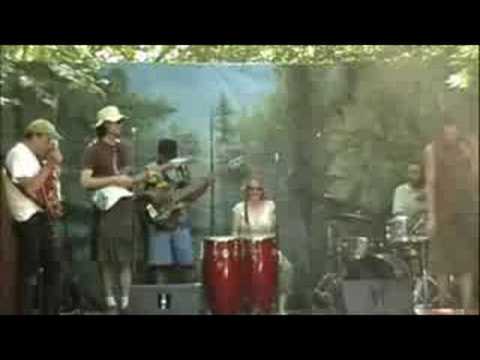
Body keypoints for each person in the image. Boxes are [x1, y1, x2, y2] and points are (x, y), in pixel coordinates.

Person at [80, 105, 140, 312]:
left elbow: (129, 177)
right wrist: (114, 179)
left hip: (125, 207)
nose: (120, 125)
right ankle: (110, 301)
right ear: (105, 125)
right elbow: (86, 181)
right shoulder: (93, 149)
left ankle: (125, 301)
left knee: (125, 258)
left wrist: (133, 177)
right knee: (105, 258)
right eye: (116, 121)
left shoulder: (126, 147)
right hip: (106, 209)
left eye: (120, 121)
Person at [3, 119, 64, 314]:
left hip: (40, 216)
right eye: (48, 140)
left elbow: (45, 188)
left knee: (54, 268)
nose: (50, 145)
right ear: (35, 136)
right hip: (27, 218)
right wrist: (49, 166)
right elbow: (30, 186)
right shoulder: (18, 154)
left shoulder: (35, 157)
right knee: (29, 272)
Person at [424, 115, 479, 312]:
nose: (451, 134)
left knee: (466, 264)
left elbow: (475, 178)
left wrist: (473, 154)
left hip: (466, 212)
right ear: (441, 130)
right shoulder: (432, 150)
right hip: (443, 214)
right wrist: (431, 216)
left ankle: (466, 307)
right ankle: (443, 305)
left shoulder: (467, 149)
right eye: (447, 130)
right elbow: (430, 183)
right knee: (442, 264)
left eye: (454, 130)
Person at [142, 138, 210, 284]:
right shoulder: (151, 170)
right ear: (159, 154)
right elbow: (144, 200)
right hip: (159, 225)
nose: (169, 159)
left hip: (180, 220)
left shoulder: (180, 168)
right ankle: (160, 299)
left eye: (172, 155)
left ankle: (189, 297)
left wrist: (203, 187)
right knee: (160, 266)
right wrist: (155, 218)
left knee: (187, 264)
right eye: (167, 156)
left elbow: (187, 194)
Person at [231, 176, 293, 314]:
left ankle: (281, 308)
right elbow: (235, 235)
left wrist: (275, 249)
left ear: (262, 191)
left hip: (268, 247)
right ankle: (254, 305)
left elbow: (276, 231)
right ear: (247, 191)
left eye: (258, 189)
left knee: (287, 267)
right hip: (247, 250)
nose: (255, 192)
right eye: (251, 189)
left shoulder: (270, 205)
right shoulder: (239, 208)